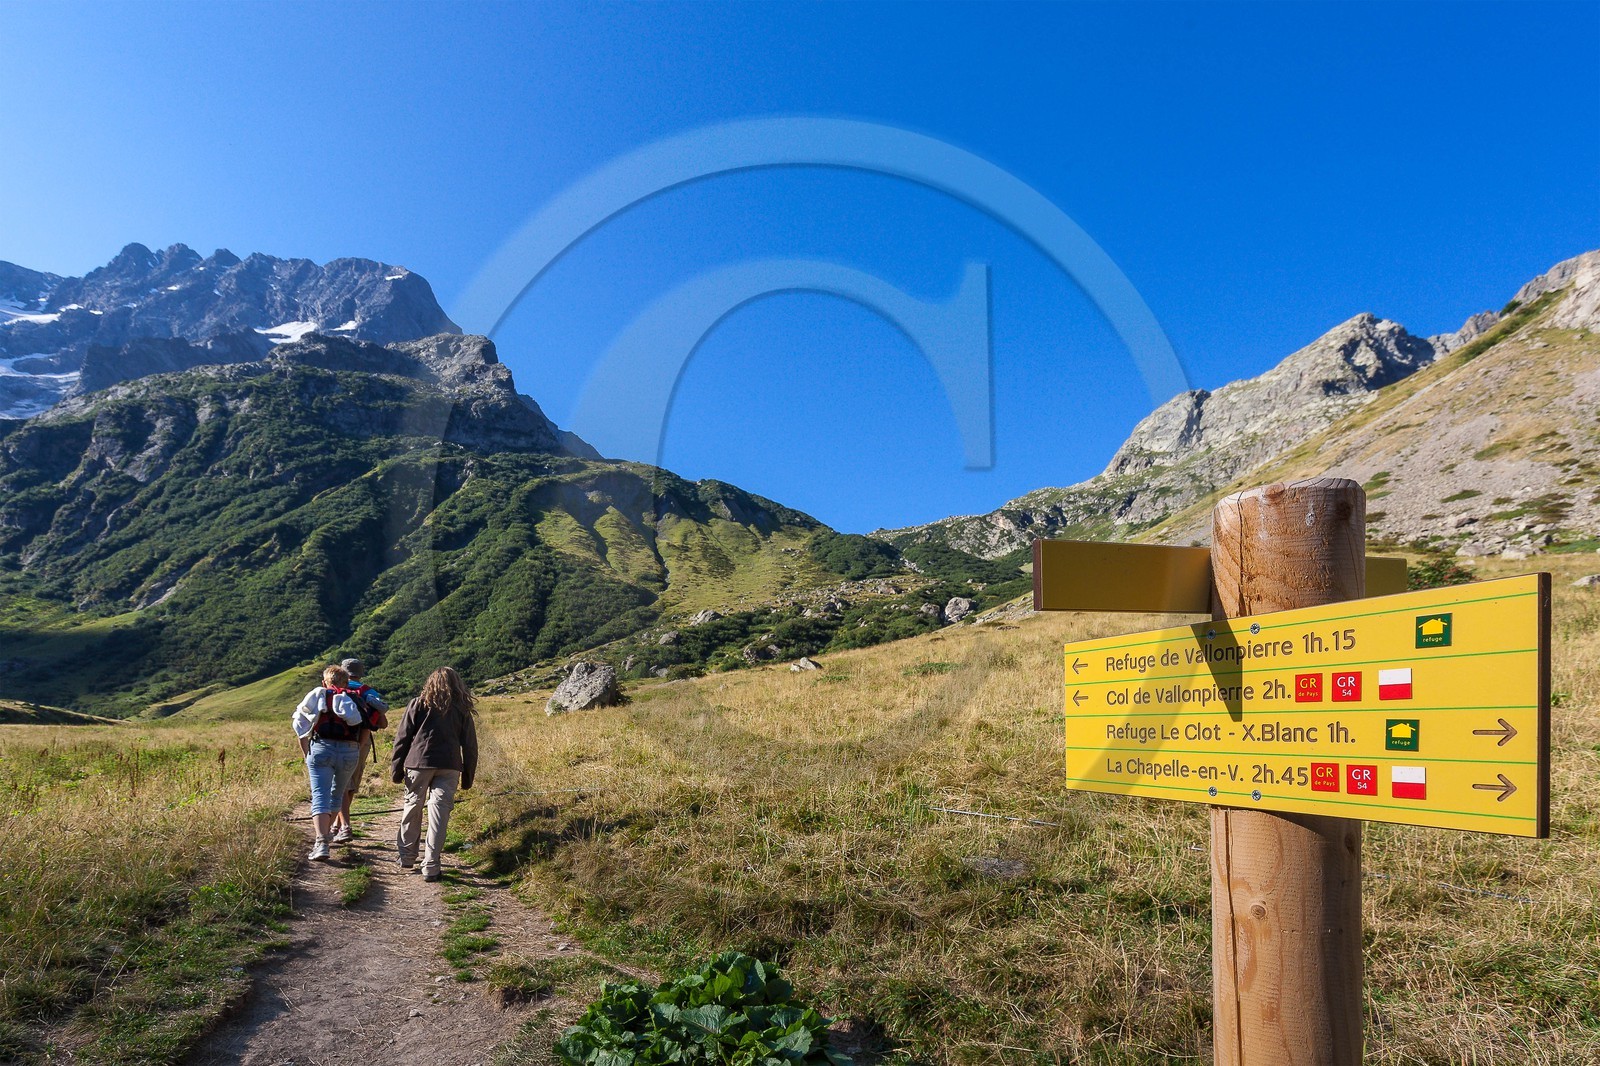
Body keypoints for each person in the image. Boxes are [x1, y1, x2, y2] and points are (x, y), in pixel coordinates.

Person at [390, 666, 478, 883]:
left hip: (418, 764)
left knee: (413, 807)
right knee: (439, 814)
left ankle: (407, 856)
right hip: (449, 765)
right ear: (457, 684)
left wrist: (397, 769)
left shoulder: (418, 704)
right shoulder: (462, 708)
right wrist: (468, 776)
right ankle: (431, 865)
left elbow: (402, 738)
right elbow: (470, 746)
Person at [292, 664, 365, 862]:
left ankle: (321, 843)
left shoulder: (318, 695)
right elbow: (364, 727)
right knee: (336, 794)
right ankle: (325, 837)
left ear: (325, 682)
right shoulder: (354, 698)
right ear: (347, 682)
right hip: (350, 751)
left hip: (321, 747)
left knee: (319, 795)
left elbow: (300, 726)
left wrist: (307, 753)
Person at [329, 657, 389, 845]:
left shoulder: (332, 687)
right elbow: (381, 723)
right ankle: (340, 823)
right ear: (361, 672)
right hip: (361, 742)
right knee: (352, 783)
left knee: (339, 784)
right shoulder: (368, 692)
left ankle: (341, 825)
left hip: (334, 741)